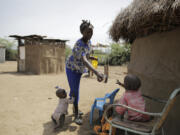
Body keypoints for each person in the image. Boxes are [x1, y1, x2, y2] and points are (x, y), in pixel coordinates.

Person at [66, 20, 105, 125]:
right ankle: (76, 114)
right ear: (82, 32)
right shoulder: (79, 44)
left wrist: (92, 57)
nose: (90, 34)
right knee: (75, 91)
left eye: (91, 32)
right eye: (88, 32)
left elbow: (86, 55)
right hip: (71, 68)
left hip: (78, 69)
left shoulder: (89, 42)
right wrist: (96, 72)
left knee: (75, 90)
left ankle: (75, 109)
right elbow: (84, 60)